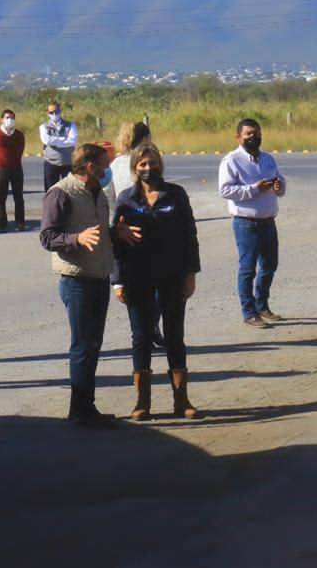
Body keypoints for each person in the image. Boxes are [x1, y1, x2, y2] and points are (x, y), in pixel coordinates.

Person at [112, 143, 201, 420]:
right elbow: (117, 241)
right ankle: (142, 403)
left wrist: (190, 274)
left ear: (160, 165)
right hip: (137, 277)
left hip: (172, 275)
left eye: (152, 163)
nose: (148, 168)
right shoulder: (126, 199)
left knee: (174, 336)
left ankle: (181, 400)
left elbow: (189, 236)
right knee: (141, 337)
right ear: (134, 168)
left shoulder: (175, 194)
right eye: (142, 164)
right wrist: (117, 281)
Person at [40, 142, 125, 427]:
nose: (108, 169)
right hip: (76, 280)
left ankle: (87, 406)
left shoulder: (97, 191)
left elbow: (97, 231)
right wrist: (77, 239)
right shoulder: (60, 193)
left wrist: (115, 233)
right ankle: (80, 410)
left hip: (99, 276)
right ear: (90, 166)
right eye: (104, 164)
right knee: (82, 346)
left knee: (93, 344)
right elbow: (47, 237)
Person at [218, 118, 286, 329]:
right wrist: (255, 188)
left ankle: (262, 305)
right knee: (248, 269)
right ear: (238, 137)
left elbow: (280, 183)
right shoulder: (231, 160)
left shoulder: (268, 159)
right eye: (248, 133)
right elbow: (225, 190)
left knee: (269, 265)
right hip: (246, 223)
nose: (253, 137)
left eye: (256, 133)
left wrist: (278, 186)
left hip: (268, 221)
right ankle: (249, 312)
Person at [0, 108, 27, 231]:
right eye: (7, 117)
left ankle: (20, 223)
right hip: (1, 169)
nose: (10, 120)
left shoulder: (19, 135)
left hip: (17, 169)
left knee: (18, 197)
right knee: (1, 197)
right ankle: (2, 223)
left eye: (12, 118)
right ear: (2, 120)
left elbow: (20, 150)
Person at [39, 101, 78, 191]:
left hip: (68, 163)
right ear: (47, 113)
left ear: (60, 111)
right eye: (51, 112)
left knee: (70, 190)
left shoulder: (71, 125)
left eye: (56, 111)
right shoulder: (43, 127)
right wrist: (64, 139)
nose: (54, 114)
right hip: (51, 163)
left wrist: (55, 141)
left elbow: (73, 141)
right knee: (51, 191)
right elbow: (46, 140)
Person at [110, 121, 151, 199]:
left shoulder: (115, 163)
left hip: (121, 204)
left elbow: (110, 194)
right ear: (145, 139)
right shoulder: (146, 163)